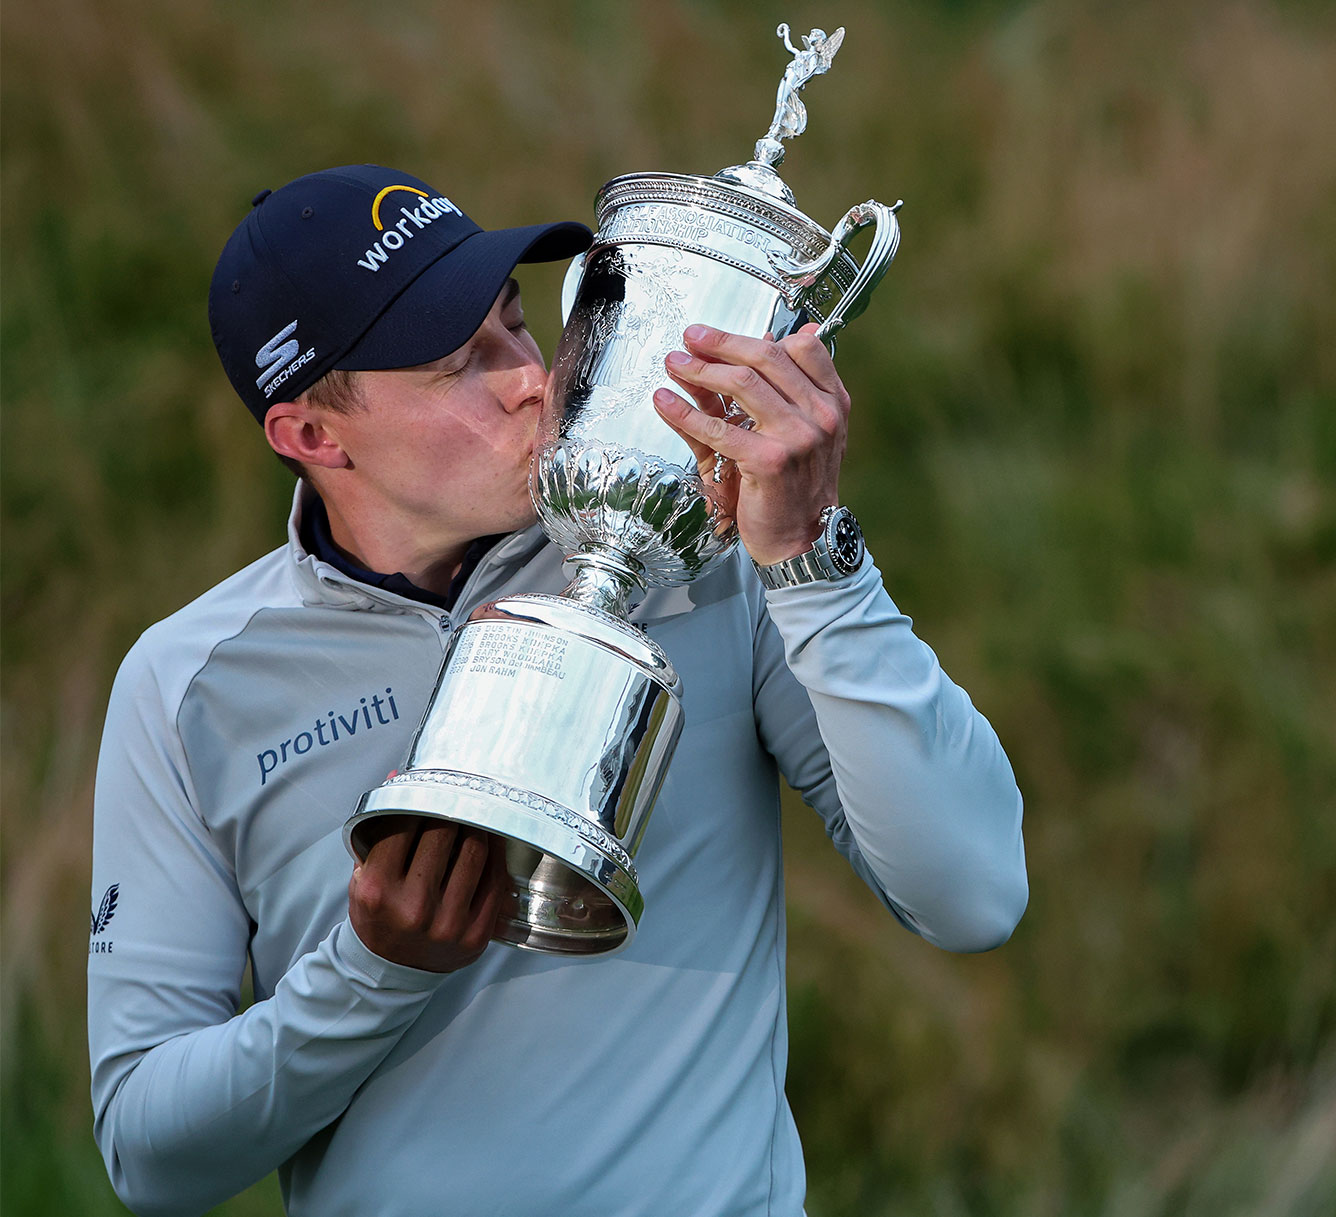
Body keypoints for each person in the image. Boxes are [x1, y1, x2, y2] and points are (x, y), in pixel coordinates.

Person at [87, 164, 1026, 1217]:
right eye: (459, 363)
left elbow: (974, 892)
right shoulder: (185, 681)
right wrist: (371, 970)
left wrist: (814, 562)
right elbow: (150, 1158)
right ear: (313, 434)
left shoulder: (705, 545)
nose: (533, 378)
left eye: (516, 322)